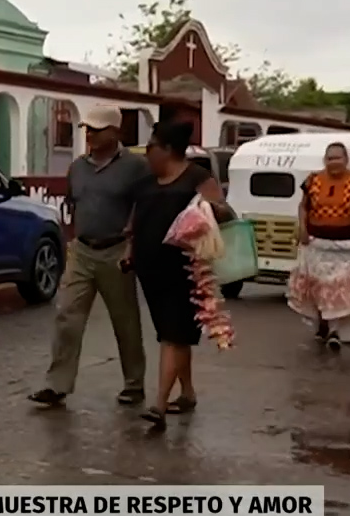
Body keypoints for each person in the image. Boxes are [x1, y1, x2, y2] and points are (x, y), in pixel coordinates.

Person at [29, 105, 149, 408]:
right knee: (66, 316)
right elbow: (73, 204)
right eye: (88, 129)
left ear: (115, 132)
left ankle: (134, 384)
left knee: (125, 321)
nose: (90, 135)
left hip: (117, 250)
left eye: (97, 129)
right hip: (82, 250)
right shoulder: (78, 167)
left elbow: (145, 204)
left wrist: (133, 240)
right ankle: (57, 385)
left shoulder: (136, 167)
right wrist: (72, 240)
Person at [130, 120, 234, 428]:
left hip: (187, 270)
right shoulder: (147, 181)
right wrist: (129, 253)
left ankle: (159, 406)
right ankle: (186, 393)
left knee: (174, 336)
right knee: (171, 334)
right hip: (151, 269)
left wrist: (207, 210)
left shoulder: (197, 177)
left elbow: (225, 213)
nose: (146, 153)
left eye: (151, 147)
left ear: (167, 149)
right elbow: (135, 222)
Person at [286, 142, 350, 350]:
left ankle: (336, 330)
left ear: (346, 160)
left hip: (347, 247)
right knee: (319, 289)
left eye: (337, 158)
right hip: (317, 245)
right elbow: (303, 207)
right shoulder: (313, 180)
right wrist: (302, 228)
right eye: (330, 158)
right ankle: (323, 325)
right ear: (324, 160)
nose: (333, 162)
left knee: (341, 290)